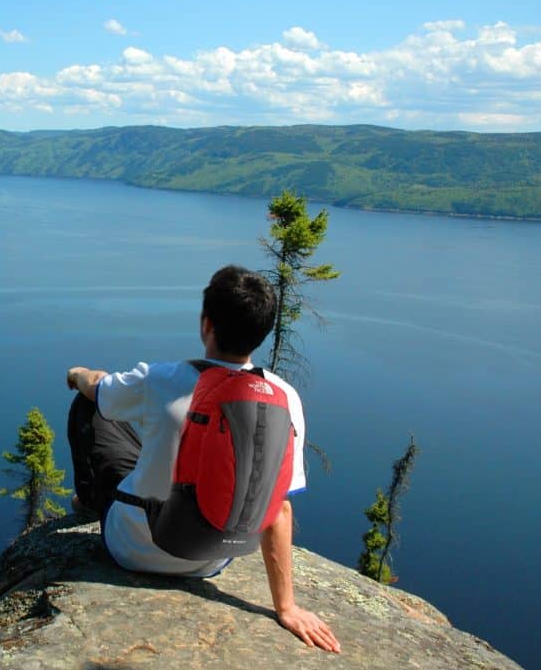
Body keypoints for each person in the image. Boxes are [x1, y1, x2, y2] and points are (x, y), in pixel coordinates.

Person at [65, 264, 341, 653]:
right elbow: (279, 510)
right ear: (261, 332)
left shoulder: (162, 379)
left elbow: (97, 389)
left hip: (131, 546)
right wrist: (287, 606)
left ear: (206, 323)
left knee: (92, 408)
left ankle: (89, 501)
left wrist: (78, 373)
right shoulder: (284, 399)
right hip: (208, 561)